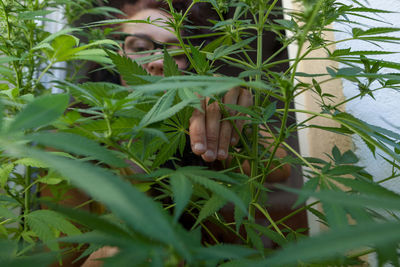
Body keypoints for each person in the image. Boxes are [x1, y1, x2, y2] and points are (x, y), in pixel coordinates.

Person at [78, 0, 290, 265]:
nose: (157, 61)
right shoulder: (81, 139)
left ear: (190, 64)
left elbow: (279, 168)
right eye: (141, 48)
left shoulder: (196, 129)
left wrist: (235, 118)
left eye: (174, 52)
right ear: (114, 57)